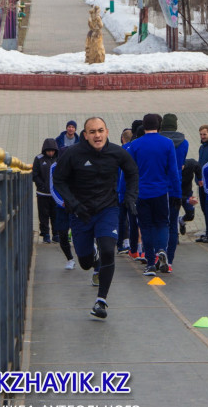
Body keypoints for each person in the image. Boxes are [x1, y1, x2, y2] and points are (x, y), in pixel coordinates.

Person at [52, 117, 139, 319]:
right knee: (85, 262)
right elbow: (59, 180)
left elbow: (132, 172)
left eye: (100, 130)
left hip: (107, 209)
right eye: (92, 132)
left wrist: (130, 198)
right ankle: (93, 256)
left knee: (109, 249)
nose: (97, 135)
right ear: (85, 135)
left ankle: (101, 300)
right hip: (80, 212)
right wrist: (73, 204)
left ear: (107, 132)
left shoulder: (117, 152)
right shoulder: (73, 154)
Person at [127, 113, 180, 276]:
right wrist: (177, 193)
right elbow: (173, 171)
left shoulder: (135, 145)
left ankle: (150, 263)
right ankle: (162, 250)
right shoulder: (167, 143)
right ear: (159, 126)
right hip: (161, 192)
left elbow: (128, 172)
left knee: (146, 227)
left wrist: (124, 194)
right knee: (162, 224)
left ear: (144, 125)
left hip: (142, 193)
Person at [160, 113, 189, 268]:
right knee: (172, 225)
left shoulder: (160, 141)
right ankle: (169, 261)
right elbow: (182, 164)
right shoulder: (185, 143)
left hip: (160, 187)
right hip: (175, 186)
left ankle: (158, 254)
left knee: (158, 224)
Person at [49, 163, 75, 270]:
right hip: (62, 207)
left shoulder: (77, 161)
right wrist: (61, 202)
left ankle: (89, 256)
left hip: (76, 206)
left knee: (80, 232)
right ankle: (70, 259)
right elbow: (52, 187)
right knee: (62, 234)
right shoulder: (54, 166)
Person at [32, 138, 59, 243]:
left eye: (52, 150)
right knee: (43, 215)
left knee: (55, 215)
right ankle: (45, 234)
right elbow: (35, 174)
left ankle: (56, 234)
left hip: (55, 195)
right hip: (42, 193)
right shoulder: (39, 159)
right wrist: (41, 185)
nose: (51, 153)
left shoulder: (58, 159)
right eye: (49, 151)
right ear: (45, 150)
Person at [116, 129, 134, 254]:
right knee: (133, 219)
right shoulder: (135, 149)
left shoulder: (119, 152)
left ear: (122, 139)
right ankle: (133, 245)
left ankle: (120, 244)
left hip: (120, 190)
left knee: (121, 219)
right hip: (133, 191)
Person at [196, 125, 208, 242]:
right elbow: (199, 165)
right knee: (204, 209)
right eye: (201, 134)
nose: (202, 137)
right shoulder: (202, 148)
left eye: (204, 134)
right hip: (201, 184)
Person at [178, 158, 201, 235]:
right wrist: (187, 200)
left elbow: (198, 166)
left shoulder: (191, 163)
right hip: (175, 194)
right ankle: (174, 236)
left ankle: (181, 220)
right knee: (173, 216)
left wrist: (200, 178)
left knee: (190, 215)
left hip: (187, 192)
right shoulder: (170, 170)